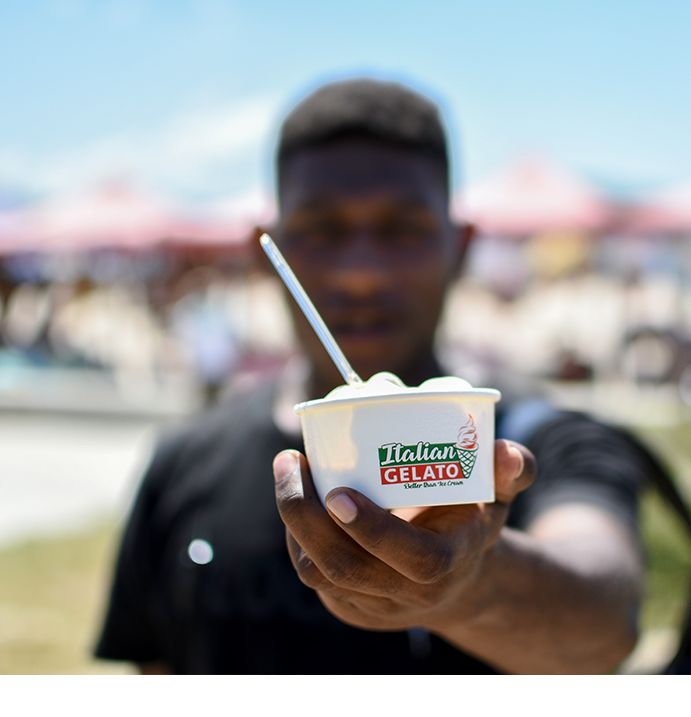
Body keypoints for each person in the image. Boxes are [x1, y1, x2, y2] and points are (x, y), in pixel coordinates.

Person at [94, 78, 647, 674]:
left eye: (402, 229)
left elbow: (607, 628)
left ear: (459, 248)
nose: (361, 273)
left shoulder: (543, 440)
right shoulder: (185, 462)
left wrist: (474, 587)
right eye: (322, 230)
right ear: (268, 252)